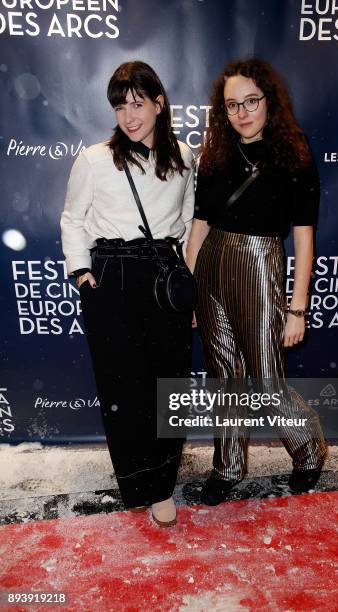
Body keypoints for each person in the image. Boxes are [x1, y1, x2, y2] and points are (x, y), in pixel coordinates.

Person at [186, 58, 328, 506]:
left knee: (265, 381)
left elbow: (304, 239)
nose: (242, 112)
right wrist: (190, 290)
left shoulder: (294, 153)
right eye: (232, 105)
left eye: (251, 101)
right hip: (211, 264)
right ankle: (226, 467)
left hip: (259, 263)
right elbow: (200, 227)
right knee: (224, 376)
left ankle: (309, 450)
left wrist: (296, 307)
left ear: (269, 100)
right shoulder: (218, 152)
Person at [61, 61, 195, 526]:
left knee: (168, 387)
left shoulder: (183, 155)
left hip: (165, 275)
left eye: (138, 103)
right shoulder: (95, 159)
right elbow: (72, 219)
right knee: (122, 387)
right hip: (112, 275)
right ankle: (137, 483)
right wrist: (82, 272)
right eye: (120, 105)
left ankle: (162, 484)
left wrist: (188, 283)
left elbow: (190, 224)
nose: (129, 115)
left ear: (159, 103)